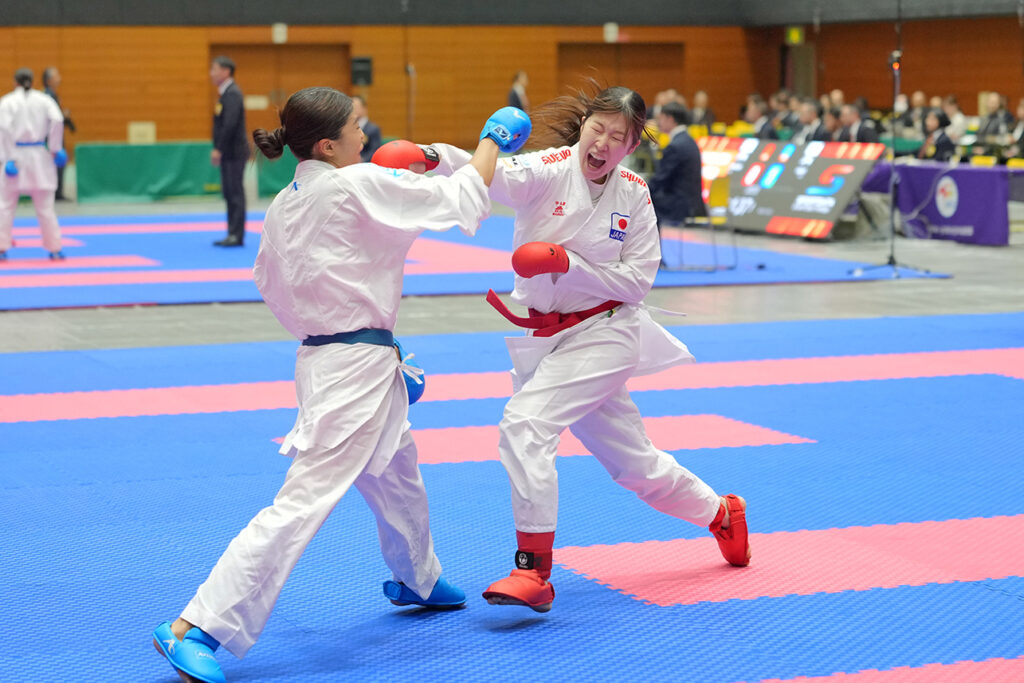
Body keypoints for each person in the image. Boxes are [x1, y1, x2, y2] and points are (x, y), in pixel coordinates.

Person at [151, 87, 531, 682]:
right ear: (328, 145)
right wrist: (492, 140)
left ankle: (418, 578)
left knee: (397, 472)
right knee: (303, 501)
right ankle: (196, 627)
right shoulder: (355, 183)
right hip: (351, 366)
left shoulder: (285, 203)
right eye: (356, 124)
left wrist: (352, 337)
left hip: (330, 356)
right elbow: (464, 197)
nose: (364, 130)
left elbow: (270, 285)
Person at [430, 84, 750, 613]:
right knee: (637, 467)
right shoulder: (549, 168)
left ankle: (533, 571)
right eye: (597, 128)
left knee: (525, 425)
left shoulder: (634, 194)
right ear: (584, 126)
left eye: (617, 137)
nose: (602, 143)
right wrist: (431, 157)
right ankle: (721, 512)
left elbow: (637, 282)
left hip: (606, 331)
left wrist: (567, 263)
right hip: (547, 339)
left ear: (632, 146)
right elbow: (491, 175)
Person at [0, 68, 66, 261]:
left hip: (15, 156)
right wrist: (55, 148)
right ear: (33, 80)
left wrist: (7, 157)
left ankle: (1, 248)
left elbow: (3, 129)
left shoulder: (7, 102)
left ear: (15, 82)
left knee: (5, 206)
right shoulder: (44, 100)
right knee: (46, 208)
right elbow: (58, 119)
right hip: (40, 155)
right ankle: (55, 248)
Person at [209, 56, 249, 247]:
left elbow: (230, 125)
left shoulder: (232, 93)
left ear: (226, 71)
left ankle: (236, 234)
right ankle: (232, 232)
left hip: (234, 152)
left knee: (235, 193)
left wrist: (219, 148)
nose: (211, 73)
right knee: (229, 192)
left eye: (214, 69)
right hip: (229, 152)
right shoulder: (225, 93)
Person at [648, 101, 705, 229]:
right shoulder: (689, 141)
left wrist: (642, 189)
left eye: (661, 118)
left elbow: (660, 179)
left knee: (645, 201)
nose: (659, 123)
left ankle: (651, 241)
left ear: (670, 119)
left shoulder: (675, 146)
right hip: (694, 202)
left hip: (680, 204)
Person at [42, 66, 74, 201]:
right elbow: (51, 118)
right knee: (55, 164)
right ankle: (56, 193)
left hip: (56, 135)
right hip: (52, 137)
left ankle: (57, 192)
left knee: (59, 164)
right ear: (49, 80)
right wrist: (62, 115)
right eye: (56, 76)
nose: (59, 79)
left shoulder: (53, 95)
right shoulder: (47, 96)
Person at [353, 95, 382, 162]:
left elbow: (374, 150)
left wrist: (362, 161)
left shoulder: (373, 129)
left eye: (356, 107)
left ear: (364, 108)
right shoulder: (348, 128)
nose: (354, 110)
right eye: (352, 107)